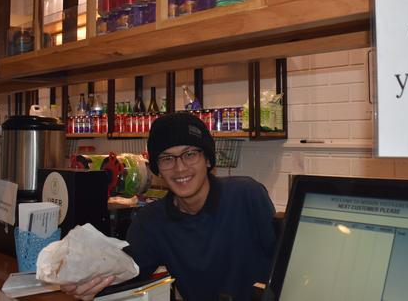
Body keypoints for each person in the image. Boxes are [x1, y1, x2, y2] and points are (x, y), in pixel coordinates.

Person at [61, 112, 277, 301]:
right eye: (167, 159)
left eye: (190, 154)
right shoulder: (152, 222)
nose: (180, 168)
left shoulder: (246, 196)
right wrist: (87, 284)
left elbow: (285, 262)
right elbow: (123, 275)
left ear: (208, 160)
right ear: (158, 169)